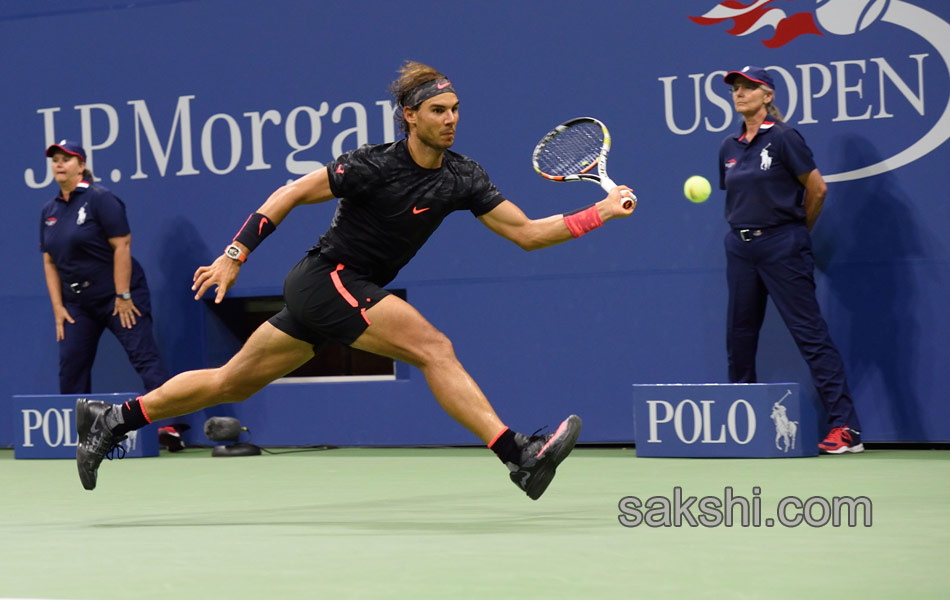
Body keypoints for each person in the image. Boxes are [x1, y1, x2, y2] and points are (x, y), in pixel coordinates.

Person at [75, 61, 636, 497]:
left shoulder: (464, 176)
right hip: (327, 278)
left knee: (230, 383)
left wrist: (601, 212)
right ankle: (518, 454)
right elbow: (291, 192)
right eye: (438, 110)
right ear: (410, 116)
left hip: (339, 293)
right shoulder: (371, 164)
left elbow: (529, 233)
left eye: (455, 109)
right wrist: (235, 253)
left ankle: (113, 418)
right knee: (434, 348)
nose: (451, 118)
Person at [718, 66, 863, 454]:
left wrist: (796, 233)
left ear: (768, 96)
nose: (740, 93)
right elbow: (737, 197)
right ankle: (740, 422)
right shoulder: (729, 147)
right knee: (739, 337)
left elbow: (817, 190)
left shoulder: (784, 137)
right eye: (736, 87)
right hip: (740, 247)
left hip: (782, 243)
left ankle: (845, 428)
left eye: (750, 87)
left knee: (810, 335)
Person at [40, 140, 169, 395]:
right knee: (71, 368)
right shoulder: (49, 211)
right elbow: (49, 261)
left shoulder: (100, 198)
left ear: (81, 165)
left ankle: (170, 428)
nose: (59, 164)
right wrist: (58, 307)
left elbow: (122, 245)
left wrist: (123, 295)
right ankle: (79, 432)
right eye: (55, 160)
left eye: (66, 159)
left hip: (117, 297)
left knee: (144, 358)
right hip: (77, 304)